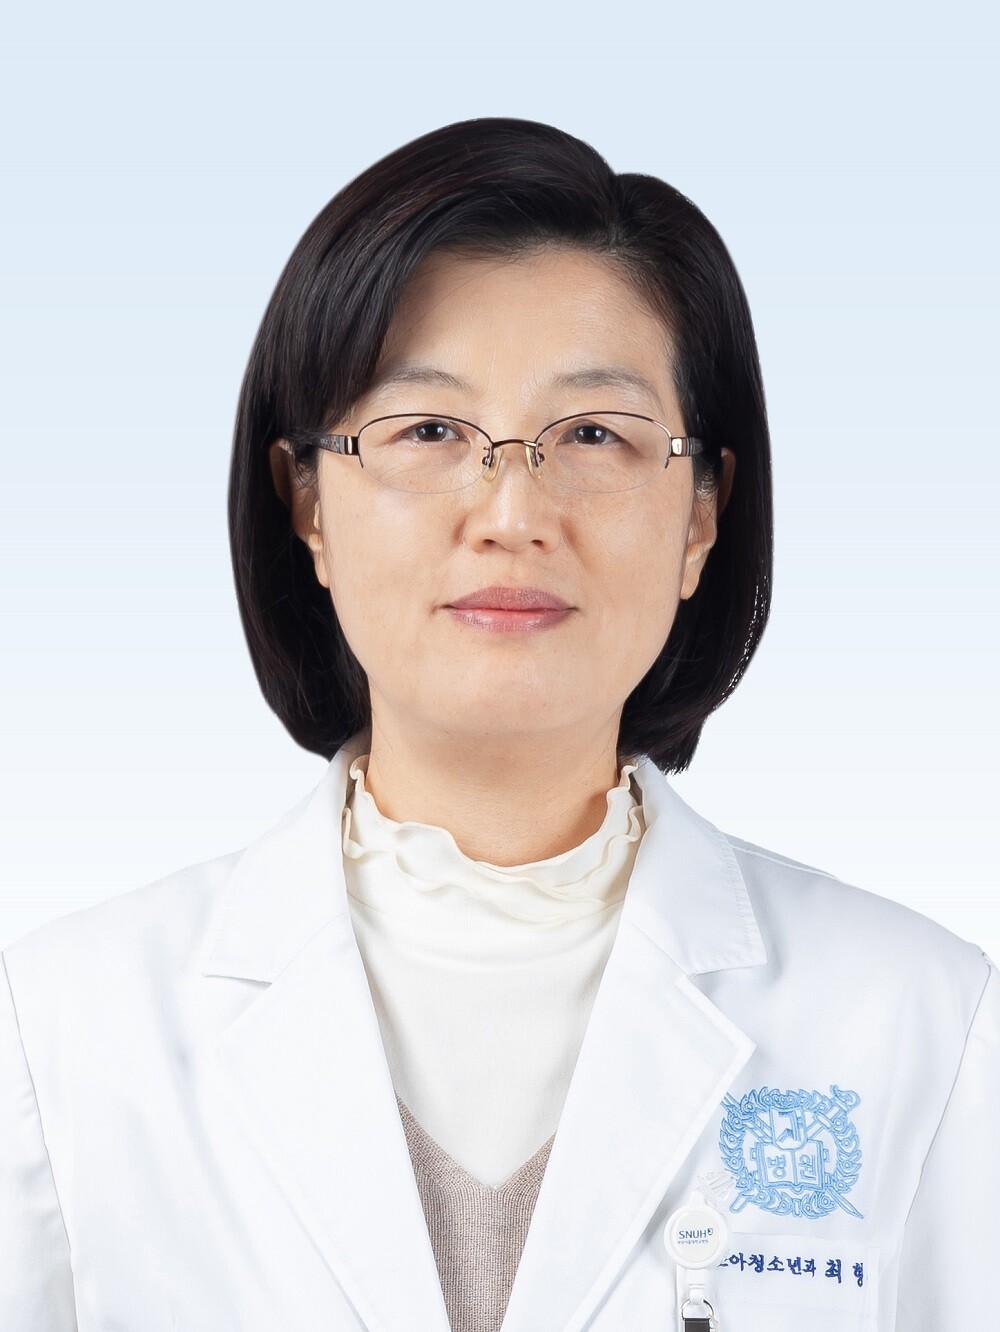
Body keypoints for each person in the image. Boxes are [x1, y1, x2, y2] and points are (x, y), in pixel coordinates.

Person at [1, 117, 995, 1332]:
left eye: (594, 435)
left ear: (700, 516)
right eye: (428, 432)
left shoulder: (920, 1020)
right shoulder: (61, 1031)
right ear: (306, 503)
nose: (511, 511)